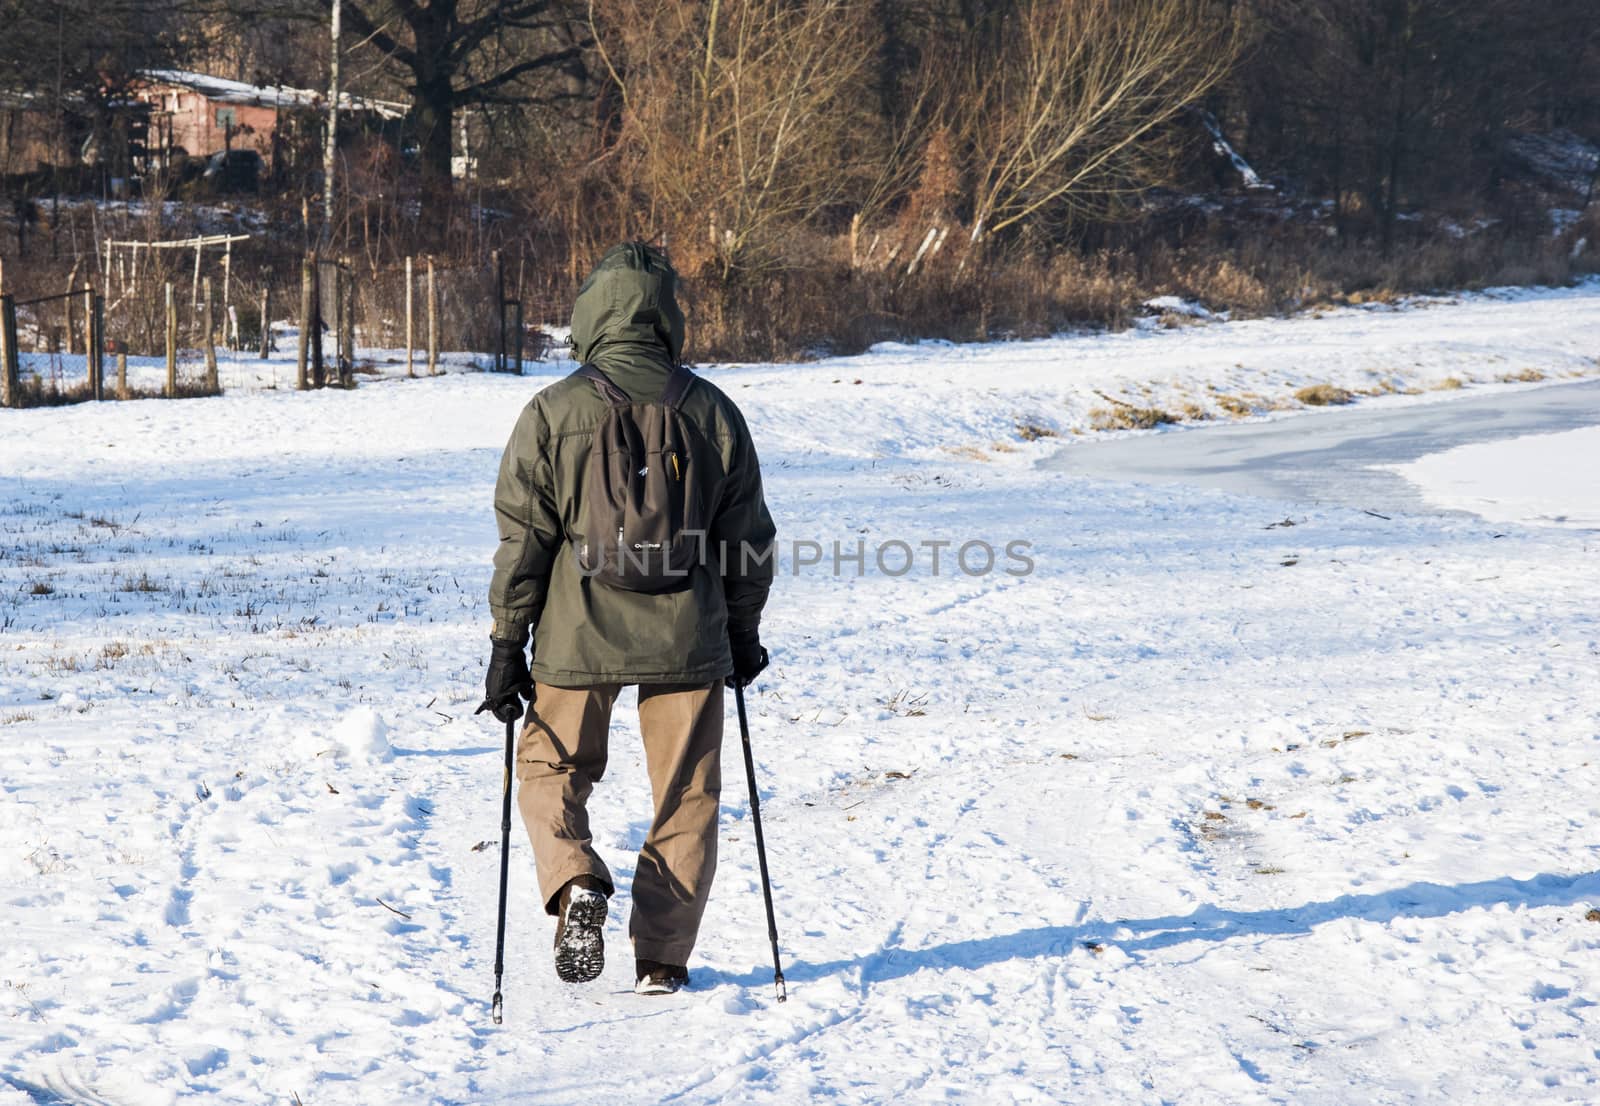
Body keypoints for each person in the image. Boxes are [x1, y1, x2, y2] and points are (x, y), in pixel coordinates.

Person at [478, 242, 775, 996]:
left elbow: (526, 539)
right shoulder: (712, 411)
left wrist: (508, 643)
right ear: (668, 316)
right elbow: (747, 539)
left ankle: (576, 878)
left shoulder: (552, 411)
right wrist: (743, 633)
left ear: (591, 313)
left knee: (549, 769)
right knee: (687, 793)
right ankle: (663, 959)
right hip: (689, 636)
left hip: (577, 634)